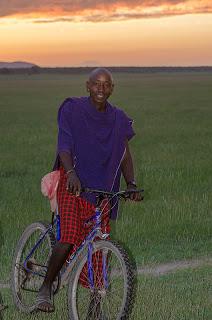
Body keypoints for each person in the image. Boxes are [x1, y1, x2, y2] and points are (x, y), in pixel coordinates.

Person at [36, 67, 142, 312]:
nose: (101, 89)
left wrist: (131, 184)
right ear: (87, 85)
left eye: (106, 84)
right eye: (96, 83)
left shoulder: (118, 118)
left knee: (99, 247)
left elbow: (125, 153)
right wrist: (71, 173)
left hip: (102, 189)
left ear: (112, 88)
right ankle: (45, 287)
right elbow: (64, 144)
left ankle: (95, 308)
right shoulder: (72, 109)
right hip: (73, 183)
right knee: (70, 236)